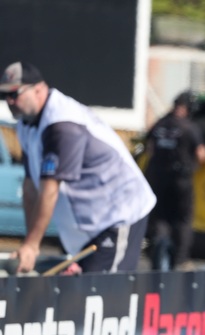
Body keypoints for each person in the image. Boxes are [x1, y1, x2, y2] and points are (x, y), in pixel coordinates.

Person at [0, 61, 155, 275]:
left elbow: (49, 190)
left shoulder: (62, 125)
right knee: (81, 290)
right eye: (5, 95)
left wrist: (32, 245)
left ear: (38, 89)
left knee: (104, 291)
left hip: (117, 215)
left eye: (15, 94)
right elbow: (30, 188)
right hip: (86, 228)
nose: (9, 101)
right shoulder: (25, 124)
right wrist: (30, 244)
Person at [144, 91, 205, 271]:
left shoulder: (159, 124)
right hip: (181, 180)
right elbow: (202, 155)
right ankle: (180, 260)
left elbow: (149, 150)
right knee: (183, 219)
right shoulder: (190, 128)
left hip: (157, 178)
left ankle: (158, 256)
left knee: (159, 217)